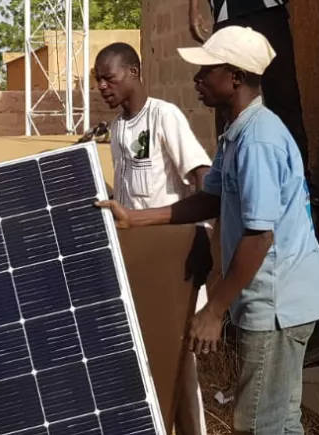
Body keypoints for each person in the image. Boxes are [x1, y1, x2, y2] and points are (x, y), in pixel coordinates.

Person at [97, 26, 319, 434]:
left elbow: (260, 236)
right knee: (278, 420)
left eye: (206, 71)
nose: (196, 80)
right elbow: (210, 199)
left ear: (234, 77)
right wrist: (135, 219)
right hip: (274, 294)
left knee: (258, 422)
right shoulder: (236, 133)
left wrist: (214, 308)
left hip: (279, 300)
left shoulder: (257, 140)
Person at [92, 42, 214, 435]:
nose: (102, 87)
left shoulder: (165, 117)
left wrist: (201, 240)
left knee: (179, 364)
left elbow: (200, 176)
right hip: (138, 263)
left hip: (173, 263)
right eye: (97, 81)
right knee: (146, 362)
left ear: (133, 72)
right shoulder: (117, 129)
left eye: (108, 78)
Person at [189, 0, 311, 188]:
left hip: (269, 8)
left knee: (284, 96)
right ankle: (228, 179)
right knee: (226, 100)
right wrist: (194, 9)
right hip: (226, 12)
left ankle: (299, 178)